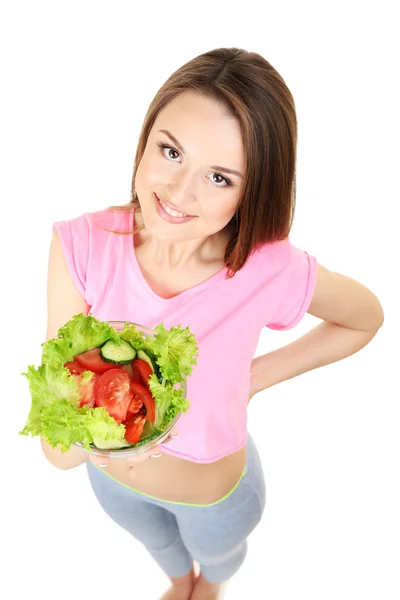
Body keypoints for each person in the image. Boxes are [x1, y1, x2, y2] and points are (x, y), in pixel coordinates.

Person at [40, 47, 384, 600]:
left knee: (221, 557)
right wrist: (102, 442)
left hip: (217, 496)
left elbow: (365, 318)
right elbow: (56, 452)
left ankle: (212, 586)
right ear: (147, 136)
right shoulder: (80, 246)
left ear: (254, 191)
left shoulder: (266, 267)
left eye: (220, 177)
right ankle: (179, 581)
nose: (179, 193)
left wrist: (250, 379)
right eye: (170, 150)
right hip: (112, 488)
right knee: (160, 551)